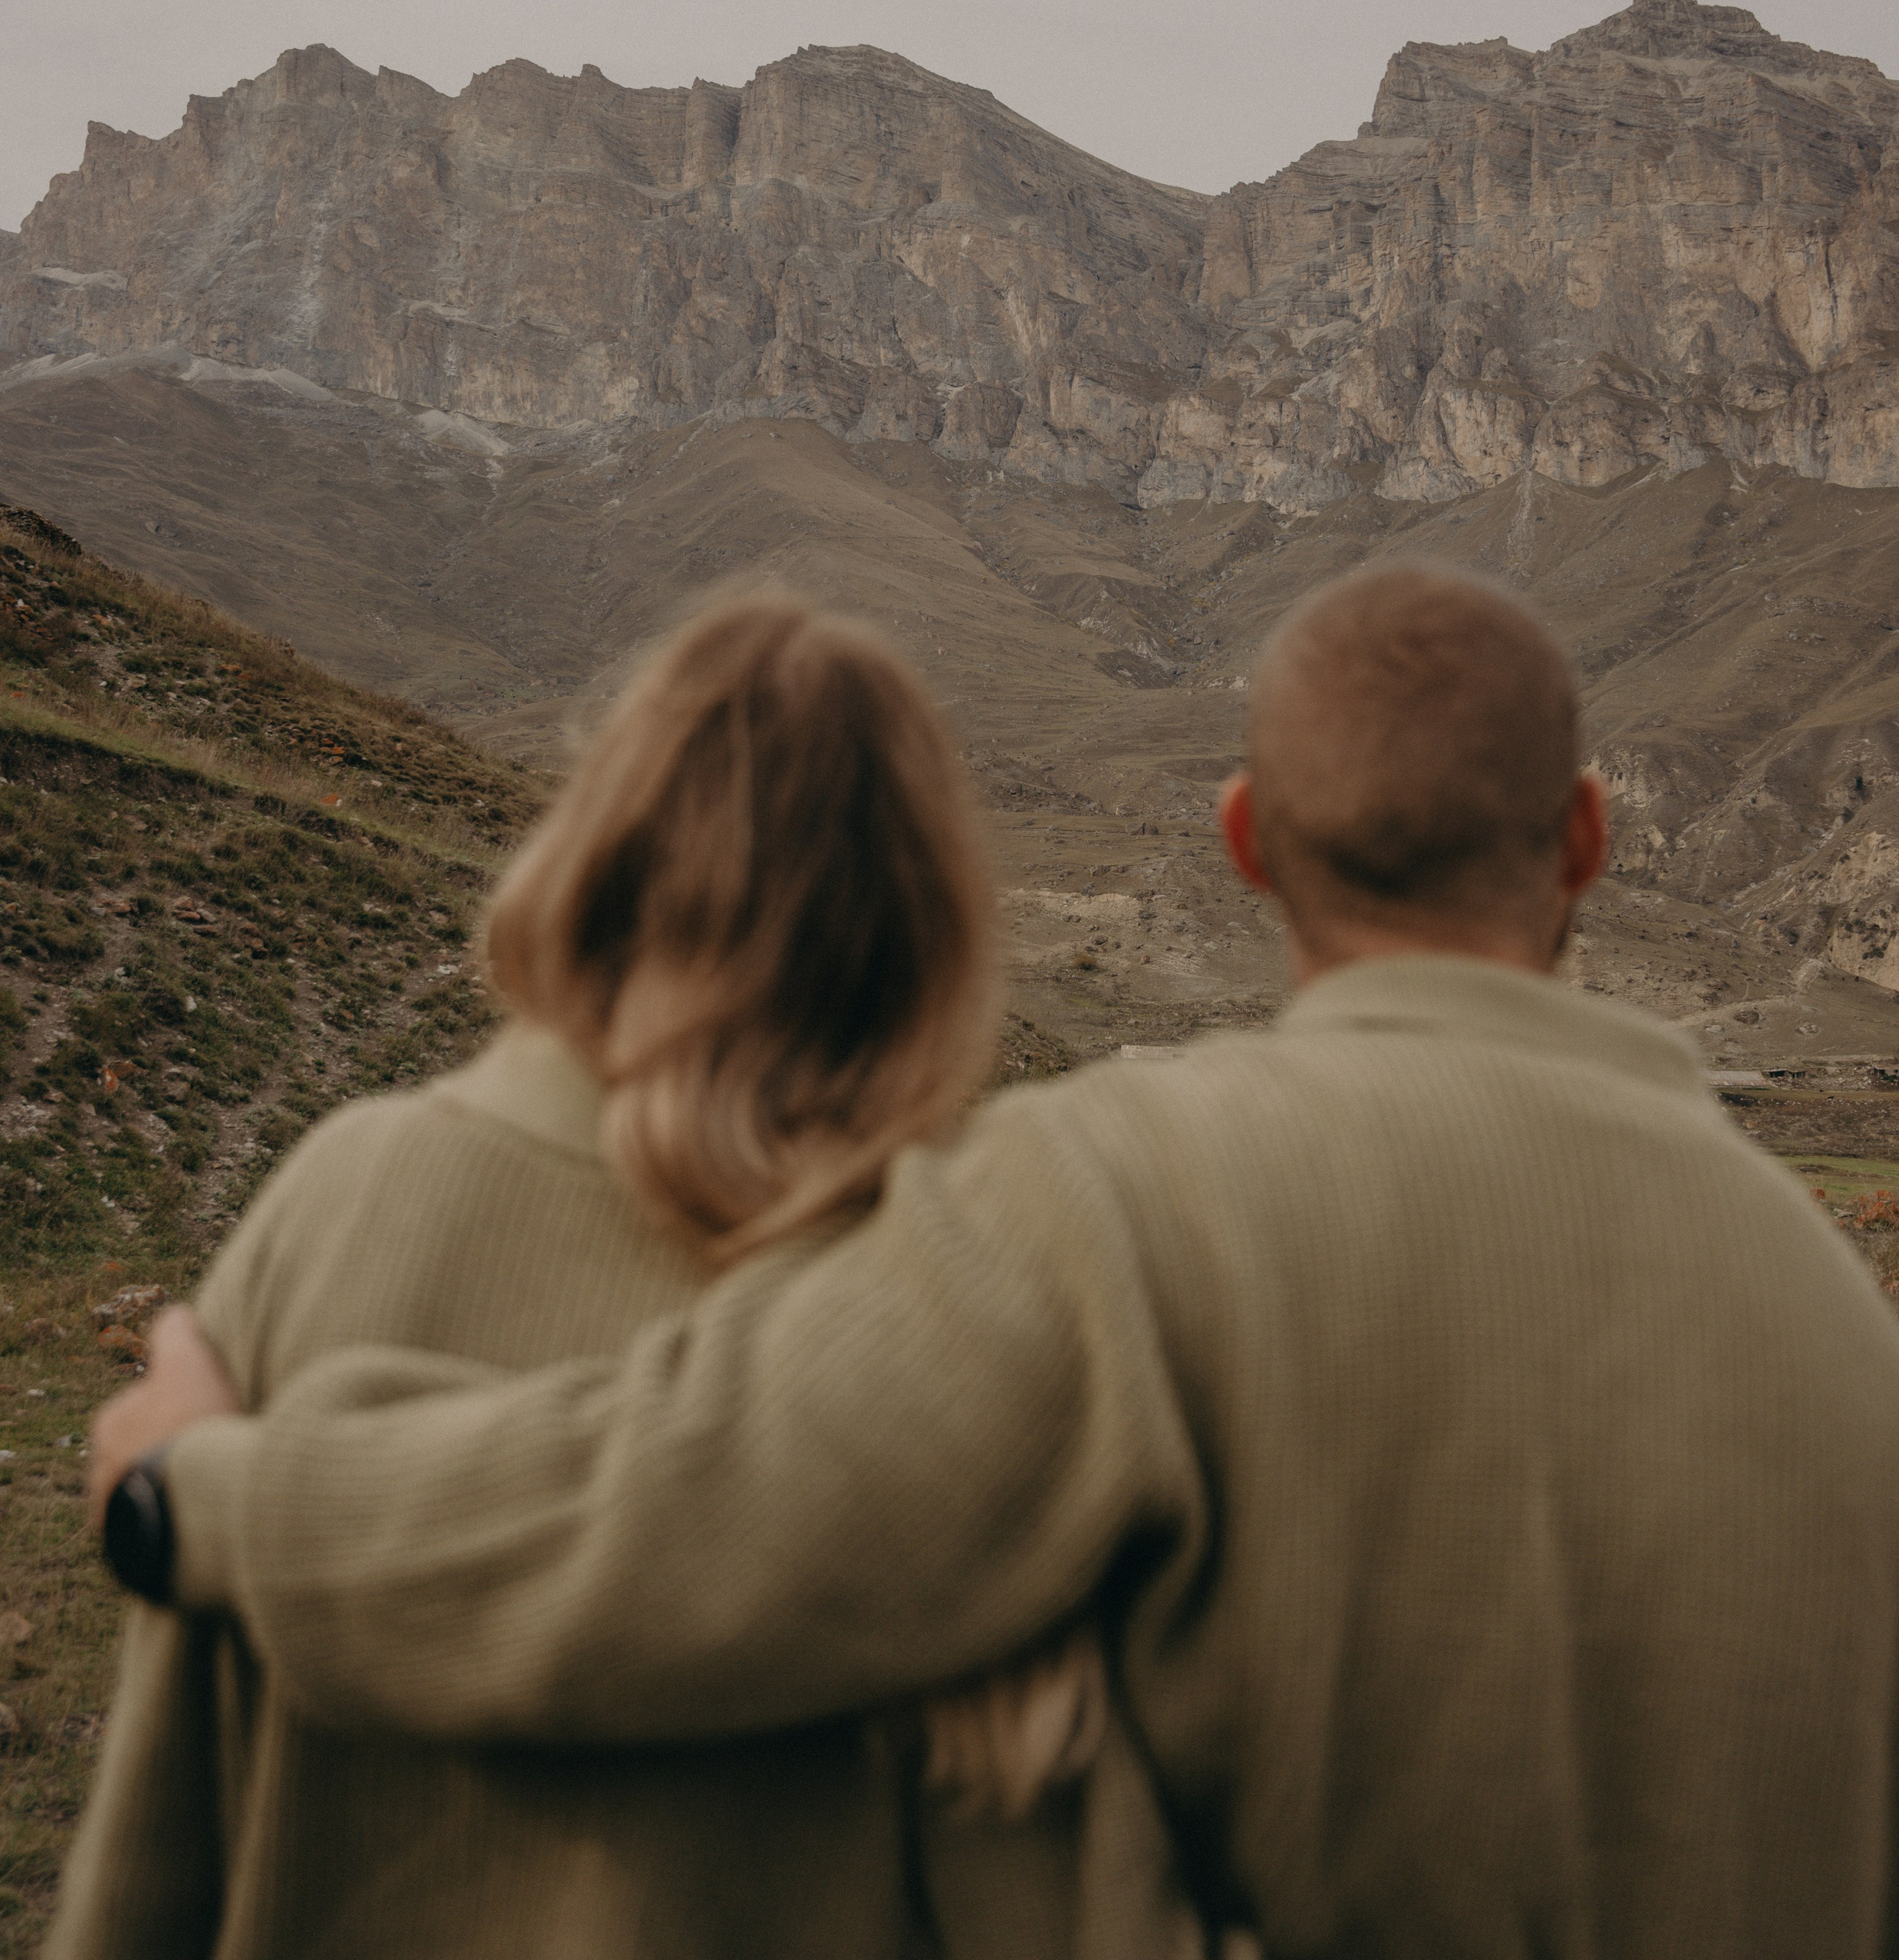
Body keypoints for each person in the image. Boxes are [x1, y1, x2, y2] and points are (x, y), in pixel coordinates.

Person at [93, 564, 1899, 1957]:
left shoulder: (1133, 1193)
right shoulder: (1840, 1319)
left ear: (1243, 841)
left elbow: (689, 1507)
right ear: (1587, 833)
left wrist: (204, 1496)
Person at [56, 595, 1197, 1960]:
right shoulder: (952, 1312)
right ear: (931, 927)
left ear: (598, 851)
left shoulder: (343, 1200)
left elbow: (159, 1826)